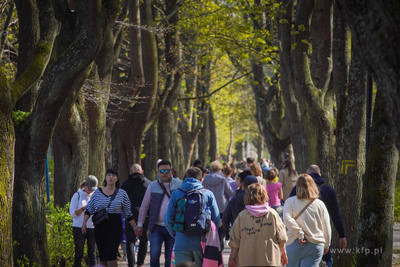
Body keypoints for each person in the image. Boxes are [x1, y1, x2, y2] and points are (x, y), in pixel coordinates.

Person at [289, 165, 347, 267]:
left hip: (299, 239)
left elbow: (289, 215)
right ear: (320, 175)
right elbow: (335, 215)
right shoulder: (328, 190)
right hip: (320, 238)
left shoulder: (296, 190)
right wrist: (341, 235)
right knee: (327, 262)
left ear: (307, 175)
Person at [165, 167, 220, 266]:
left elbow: (168, 220)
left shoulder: (176, 194)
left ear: (185, 178)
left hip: (181, 243)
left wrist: (177, 233)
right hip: (202, 243)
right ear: (201, 180)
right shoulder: (208, 194)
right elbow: (216, 219)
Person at [82, 168, 137, 267]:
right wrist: (84, 223)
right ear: (105, 177)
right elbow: (89, 209)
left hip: (115, 226)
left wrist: (135, 228)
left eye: (113, 175)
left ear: (117, 178)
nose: (111, 177)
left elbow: (128, 213)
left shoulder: (122, 193)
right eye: (109, 175)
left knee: (111, 254)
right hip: (100, 226)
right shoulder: (97, 193)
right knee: (103, 256)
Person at [135, 160, 182, 267]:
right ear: (158, 172)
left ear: (171, 171)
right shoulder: (152, 186)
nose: (164, 173)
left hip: (174, 227)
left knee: (170, 258)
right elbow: (144, 206)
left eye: (167, 170)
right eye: (162, 171)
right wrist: (139, 224)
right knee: (154, 256)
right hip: (156, 227)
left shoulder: (180, 184)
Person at [228, 183, 288, 267]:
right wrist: (283, 254)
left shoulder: (242, 216)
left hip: (246, 260)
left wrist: (232, 258)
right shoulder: (273, 214)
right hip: (270, 259)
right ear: (264, 195)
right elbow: (282, 237)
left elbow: (235, 240)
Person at [283, 173, 331, 267]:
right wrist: (326, 244)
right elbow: (326, 226)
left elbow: (287, 219)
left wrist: (299, 234)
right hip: (315, 244)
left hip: (294, 242)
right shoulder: (320, 204)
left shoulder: (290, 201)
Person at [121, 164, 151, 267]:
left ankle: (131, 263)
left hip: (130, 216)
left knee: (130, 240)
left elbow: (121, 201)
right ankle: (140, 264)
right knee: (144, 240)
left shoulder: (126, 184)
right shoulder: (148, 184)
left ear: (130, 171)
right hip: (145, 216)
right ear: (142, 171)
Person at [202, 160, 235, 242]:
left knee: (210, 224)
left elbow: (202, 191)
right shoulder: (223, 179)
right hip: (222, 206)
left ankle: (211, 240)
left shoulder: (206, 179)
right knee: (221, 225)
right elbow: (230, 192)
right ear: (219, 169)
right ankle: (220, 239)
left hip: (209, 206)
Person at [69, 175, 98, 267]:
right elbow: (73, 212)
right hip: (79, 227)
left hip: (92, 227)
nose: (91, 190)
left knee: (92, 253)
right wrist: (84, 208)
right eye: (89, 188)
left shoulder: (96, 195)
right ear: (85, 185)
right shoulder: (77, 195)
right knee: (79, 252)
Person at [222, 171, 256, 236]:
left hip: (238, 231)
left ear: (243, 183)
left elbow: (226, 217)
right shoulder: (260, 200)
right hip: (256, 232)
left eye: (238, 178)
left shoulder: (236, 198)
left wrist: (226, 228)